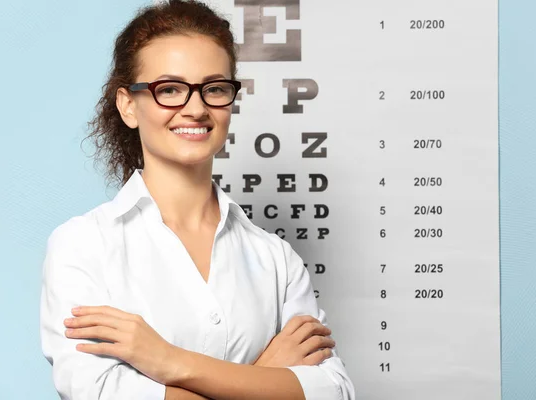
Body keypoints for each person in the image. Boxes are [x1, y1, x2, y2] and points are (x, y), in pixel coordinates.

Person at [39, 1, 355, 399]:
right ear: (128, 106)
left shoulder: (275, 257)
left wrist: (170, 361)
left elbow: (334, 391)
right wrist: (265, 376)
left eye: (215, 88)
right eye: (169, 89)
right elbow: (99, 393)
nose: (196, 108)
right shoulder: (83, 246)